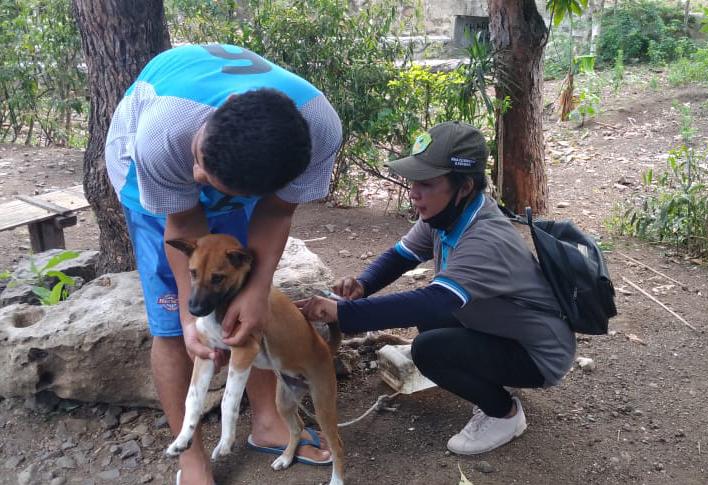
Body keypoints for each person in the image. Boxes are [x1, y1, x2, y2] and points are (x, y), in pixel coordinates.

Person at [104, 44, 342, 485]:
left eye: (213, 184)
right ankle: (191, 457)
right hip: (148, 171)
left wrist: (254, 290)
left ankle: (268, 422)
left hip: (232, 167)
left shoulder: (319, 129)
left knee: (245, 299)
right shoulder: (164, 136)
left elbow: (276, 212)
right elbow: (185, 222)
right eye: (202, 164)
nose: (198, 181)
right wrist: (187, 312)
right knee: (178, 325)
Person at [298, 121, 576, 455]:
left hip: (539, 355)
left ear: (464, 187)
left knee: (429, 350)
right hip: (506, 330)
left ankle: (504, 413)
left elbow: (434, 301)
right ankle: (494, 376)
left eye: (427, 183)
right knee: (431, 325)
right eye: (414, 181)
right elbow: (401, 256)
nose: (414, 193)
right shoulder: (448, 216)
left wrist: (344, 313)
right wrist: (362, 285)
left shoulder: (485, 237)